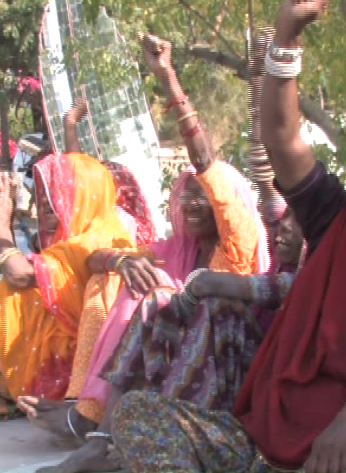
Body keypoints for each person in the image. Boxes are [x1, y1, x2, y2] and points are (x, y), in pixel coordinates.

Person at [109, 2, 346, 472]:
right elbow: (283, 138)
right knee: (139, 415)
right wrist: (286, 38)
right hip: (266, 438)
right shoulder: (336, 221)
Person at [31, 30, 273, 473]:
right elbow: (93, 255)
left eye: (203, 195)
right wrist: (119, 260)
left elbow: (205, 163)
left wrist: (167, 78)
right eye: (185, 195)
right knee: (125, 280)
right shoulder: (179, 247)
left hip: (230, 352)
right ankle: (100, 433)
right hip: (178, 346)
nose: (192, 203)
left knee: (159, 298)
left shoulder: (237, 241)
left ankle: (97, 430)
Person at [16, 99, 158, 439]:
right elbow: (76, 180)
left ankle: (81, 406)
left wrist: (3, 234)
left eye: (57, 199)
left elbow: (21, 273)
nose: (51, 207)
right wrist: (69, 128)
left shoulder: (109, 230)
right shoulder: (80, 230)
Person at [0, 152, 135, 402]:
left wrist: (2, 227)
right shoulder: (100, 229)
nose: (44, 215)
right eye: (41, 205)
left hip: (70, 365)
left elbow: (19, 275)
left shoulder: (90, 241)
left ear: (80, 202)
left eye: (52, 206)